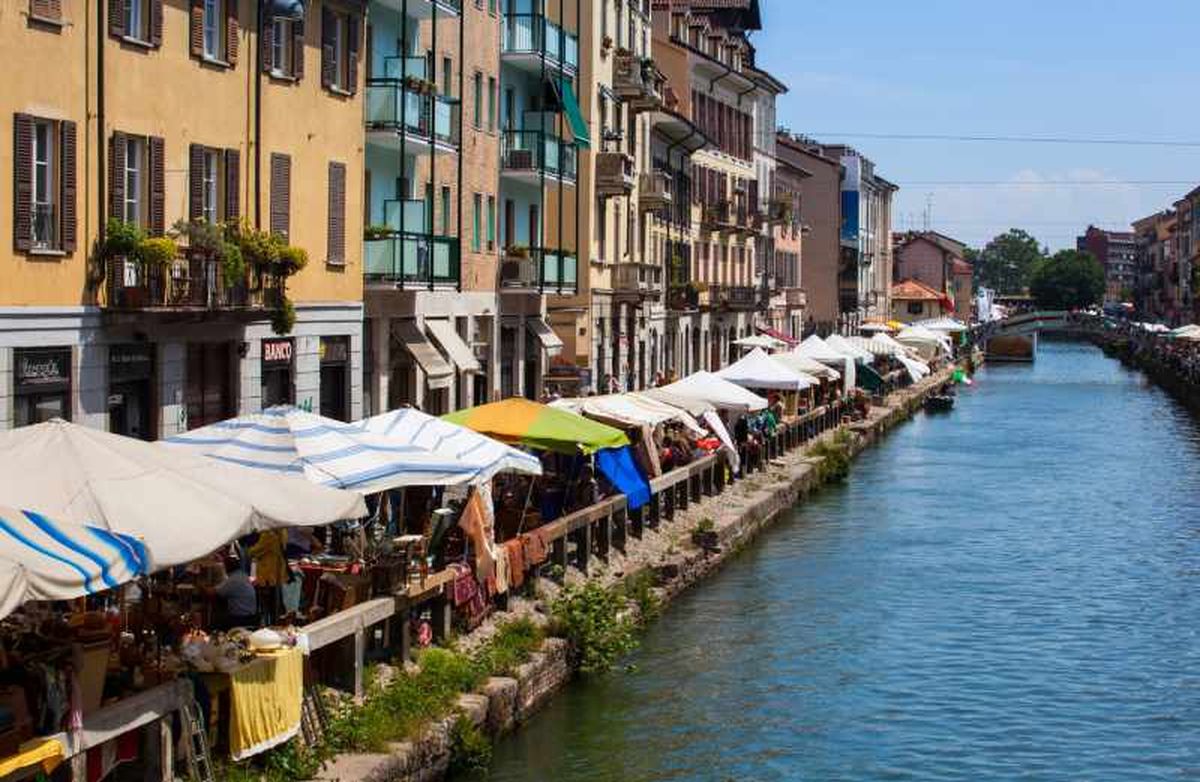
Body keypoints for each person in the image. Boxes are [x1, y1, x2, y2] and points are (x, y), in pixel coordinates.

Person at [214, 558, 258, 630]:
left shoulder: (233, 580)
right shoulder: (244, 576)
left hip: (239, 619)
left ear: (227, 568)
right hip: (252, 617)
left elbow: (215, 592)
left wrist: (201, 586)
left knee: (216, 622)